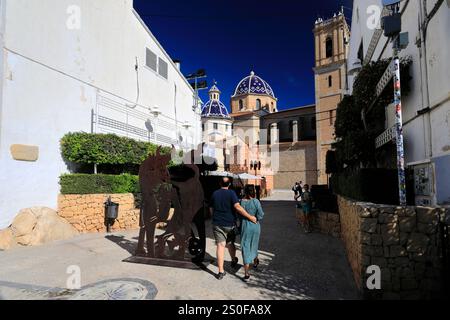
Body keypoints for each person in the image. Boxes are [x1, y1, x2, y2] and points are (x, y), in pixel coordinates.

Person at [210, 177, 257, 280]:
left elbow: (211, 209)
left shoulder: (215, 193)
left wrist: (214, 218)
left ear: (219, 183)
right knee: (230, 243)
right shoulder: (231, 193)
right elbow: (237, 207)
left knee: (220, 246)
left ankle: (220, 271)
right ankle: (233, 260)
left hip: (217, 224)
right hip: (229, 224)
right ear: (229, 184)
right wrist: (250, 217)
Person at [239, 185, 264, 282]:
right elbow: (261, 215)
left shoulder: (241, 202)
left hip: (245, 226)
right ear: (253, 191)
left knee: (245, 246)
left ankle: (246, 274)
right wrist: (255, 218)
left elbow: (238, 215)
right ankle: (255, 261)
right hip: (255, 225)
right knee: (254, 244)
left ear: (244, 191)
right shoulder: (256, 201)